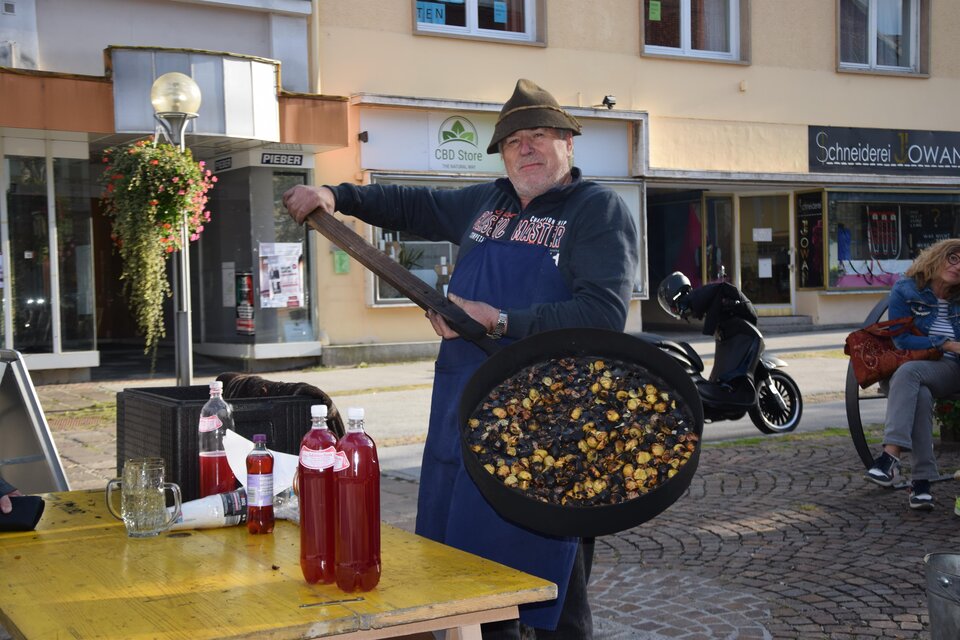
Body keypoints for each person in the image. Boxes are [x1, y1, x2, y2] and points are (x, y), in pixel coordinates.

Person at [283, 78, 639, 639]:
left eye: (539, 135)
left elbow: (601, 314)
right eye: (513, 140)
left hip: (549, 425)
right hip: (464, 414)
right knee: (466, 572)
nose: (525, 148)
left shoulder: (597, 210)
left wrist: (498, 319)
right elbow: (411, 204)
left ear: (568, 142)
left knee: (553, 583)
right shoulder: (486, 203)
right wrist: (337, 195)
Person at [865, 238, 960, 510]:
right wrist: (945, 344)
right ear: (937, 257)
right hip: (912, 368)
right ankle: (921, 483)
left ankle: (889, 457)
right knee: (920, 393)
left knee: (910, 374)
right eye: (953, 258)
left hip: (951, 369)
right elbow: (901, 340)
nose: (957, 266)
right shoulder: (905, 289)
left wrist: (949, 350)